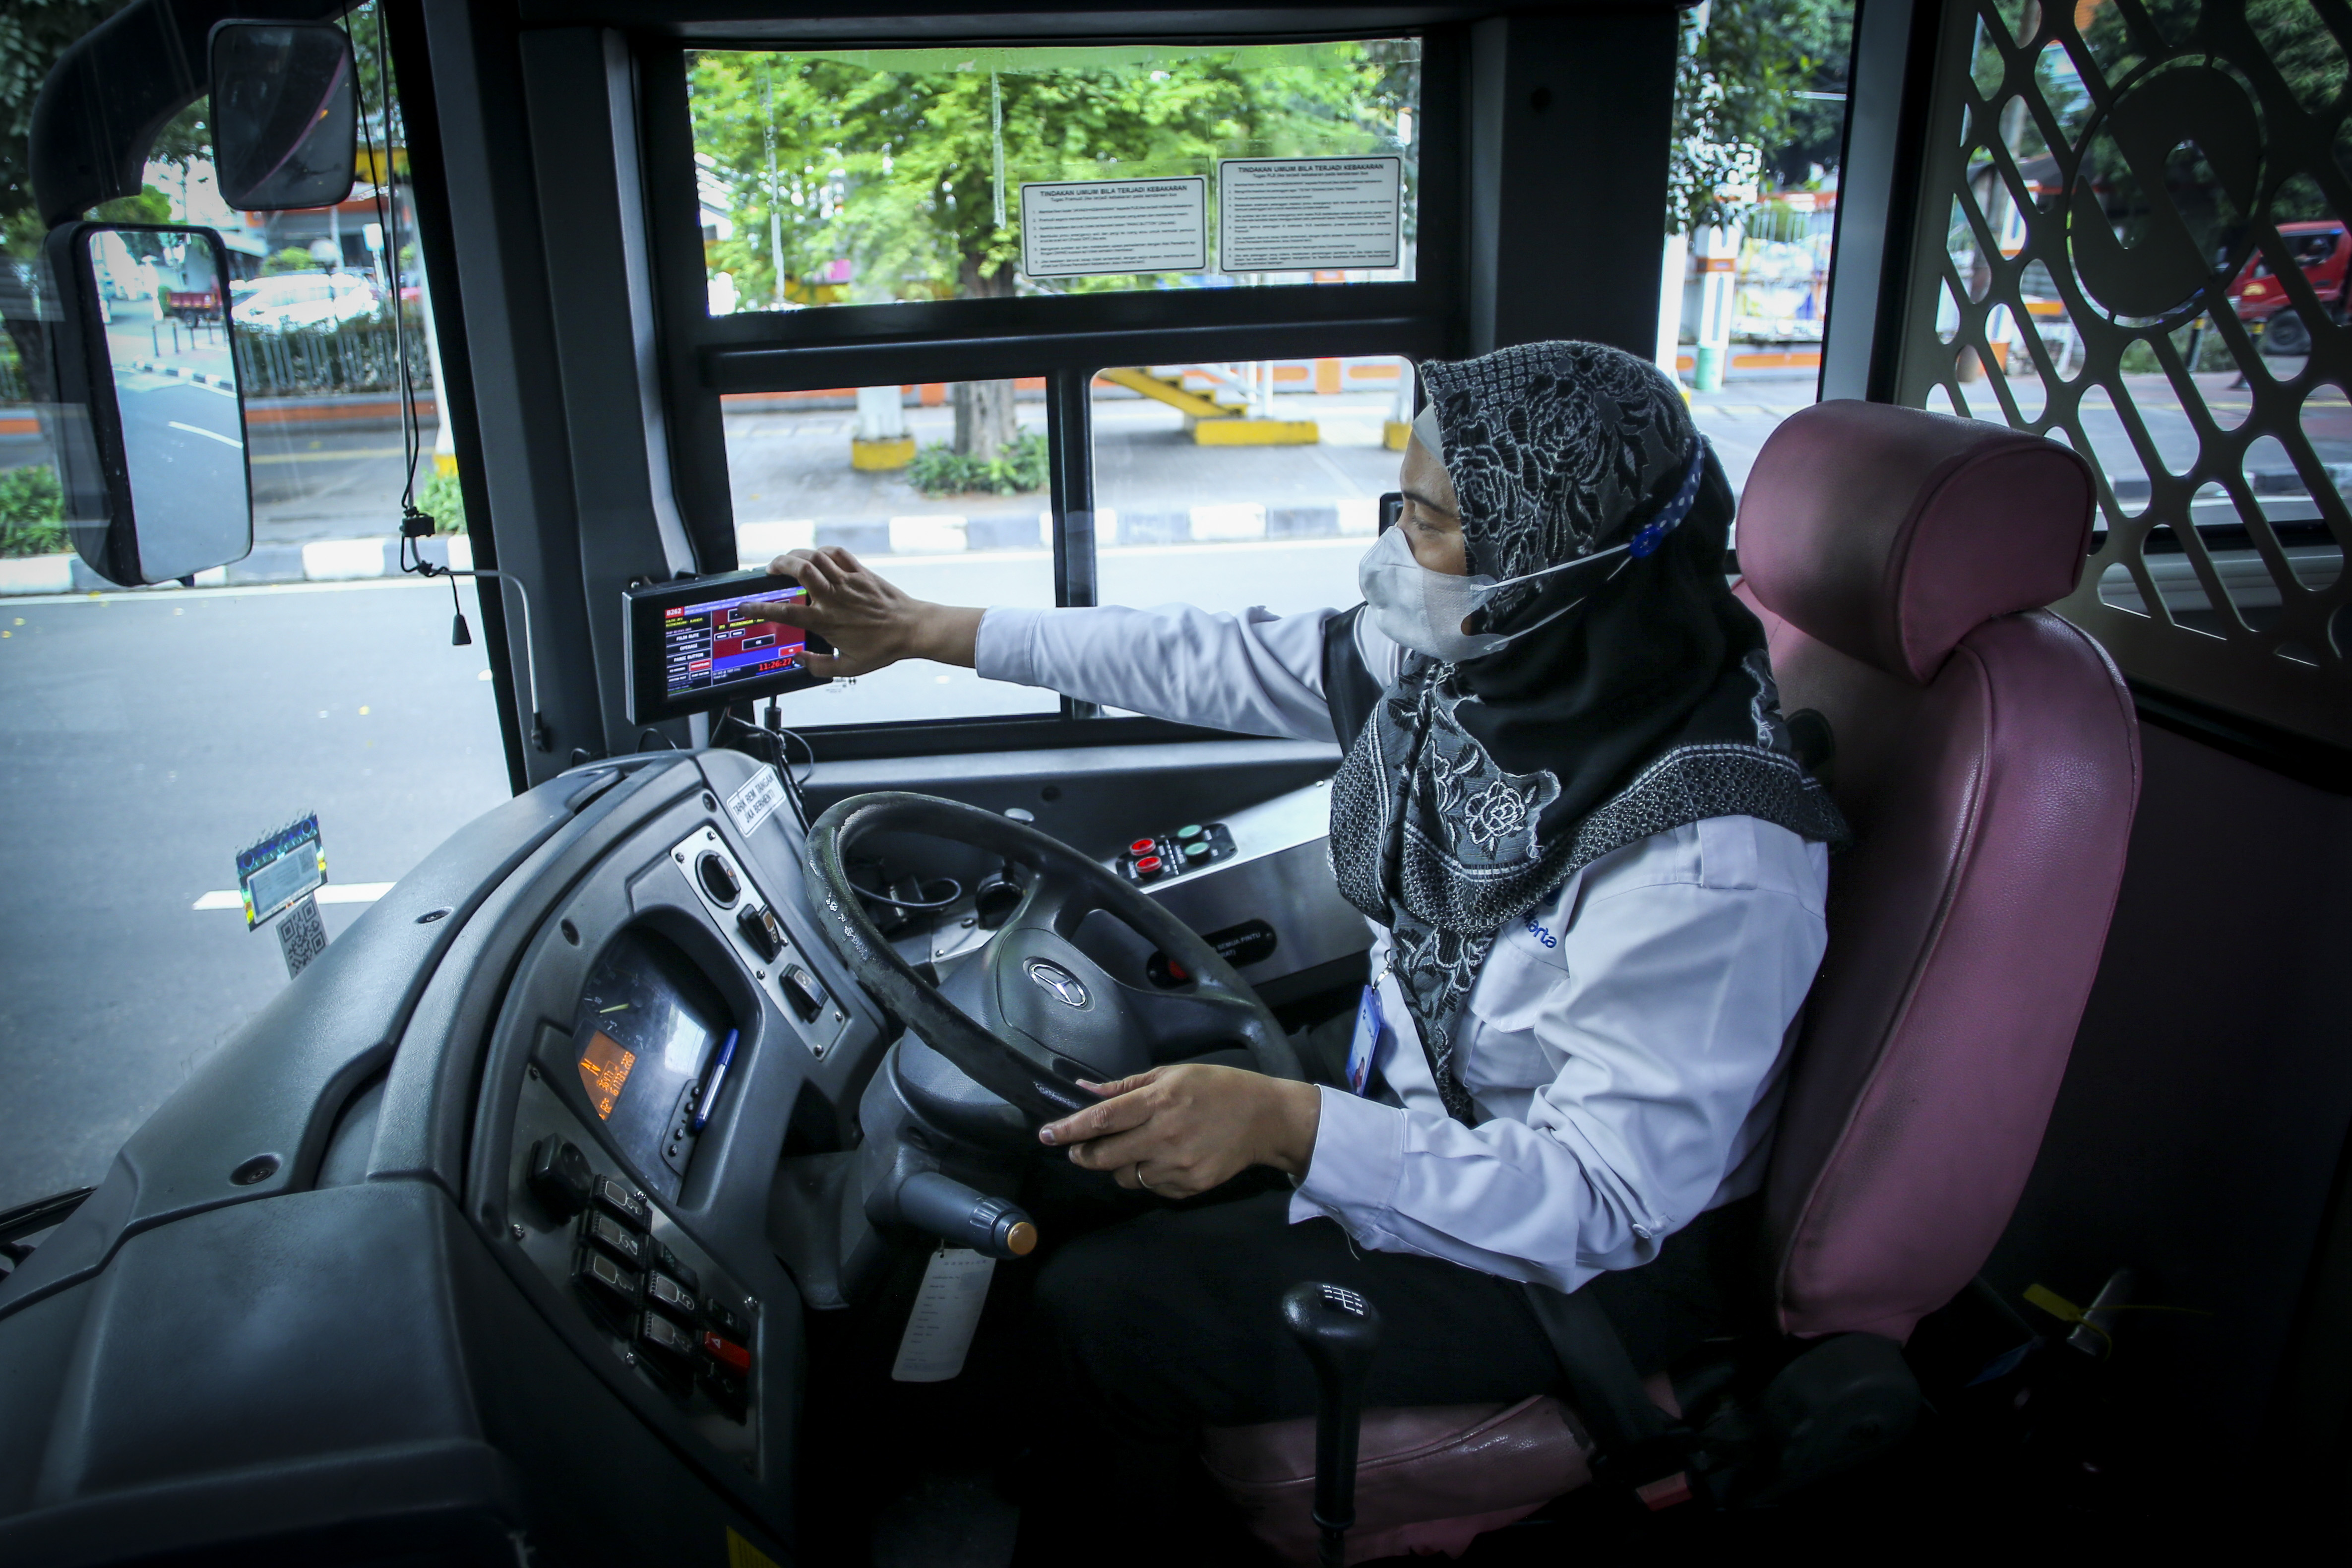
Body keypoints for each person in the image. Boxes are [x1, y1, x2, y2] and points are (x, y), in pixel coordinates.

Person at [765, 341, 1847, 1547]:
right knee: (1063, 1151)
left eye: (1429, 524)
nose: (1390, 552)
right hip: (1423, 1087)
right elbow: (1216, 655)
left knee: (1107, 1311)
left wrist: (1286, 1128)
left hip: (1579, 1253)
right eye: (1403, 505)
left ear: (1555, 562)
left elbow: (1602, 1199)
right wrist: (927, 628)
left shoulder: (1709, 855)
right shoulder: (1502, 657)